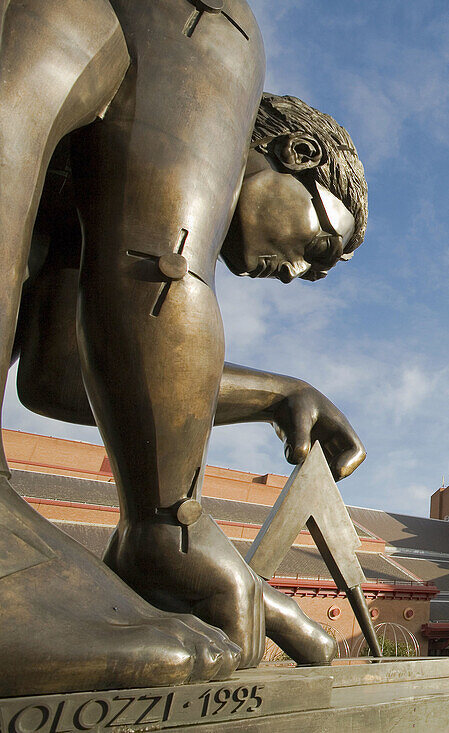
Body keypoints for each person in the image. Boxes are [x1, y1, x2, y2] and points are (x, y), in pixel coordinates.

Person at [0, 0, 370, 692]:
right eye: (317, 247)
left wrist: (277, 394)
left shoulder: (90, 168)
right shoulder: (216, 36)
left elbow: (59, 372)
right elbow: (162, 269)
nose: (293, 274)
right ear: (300, 154)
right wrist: (171, 527)